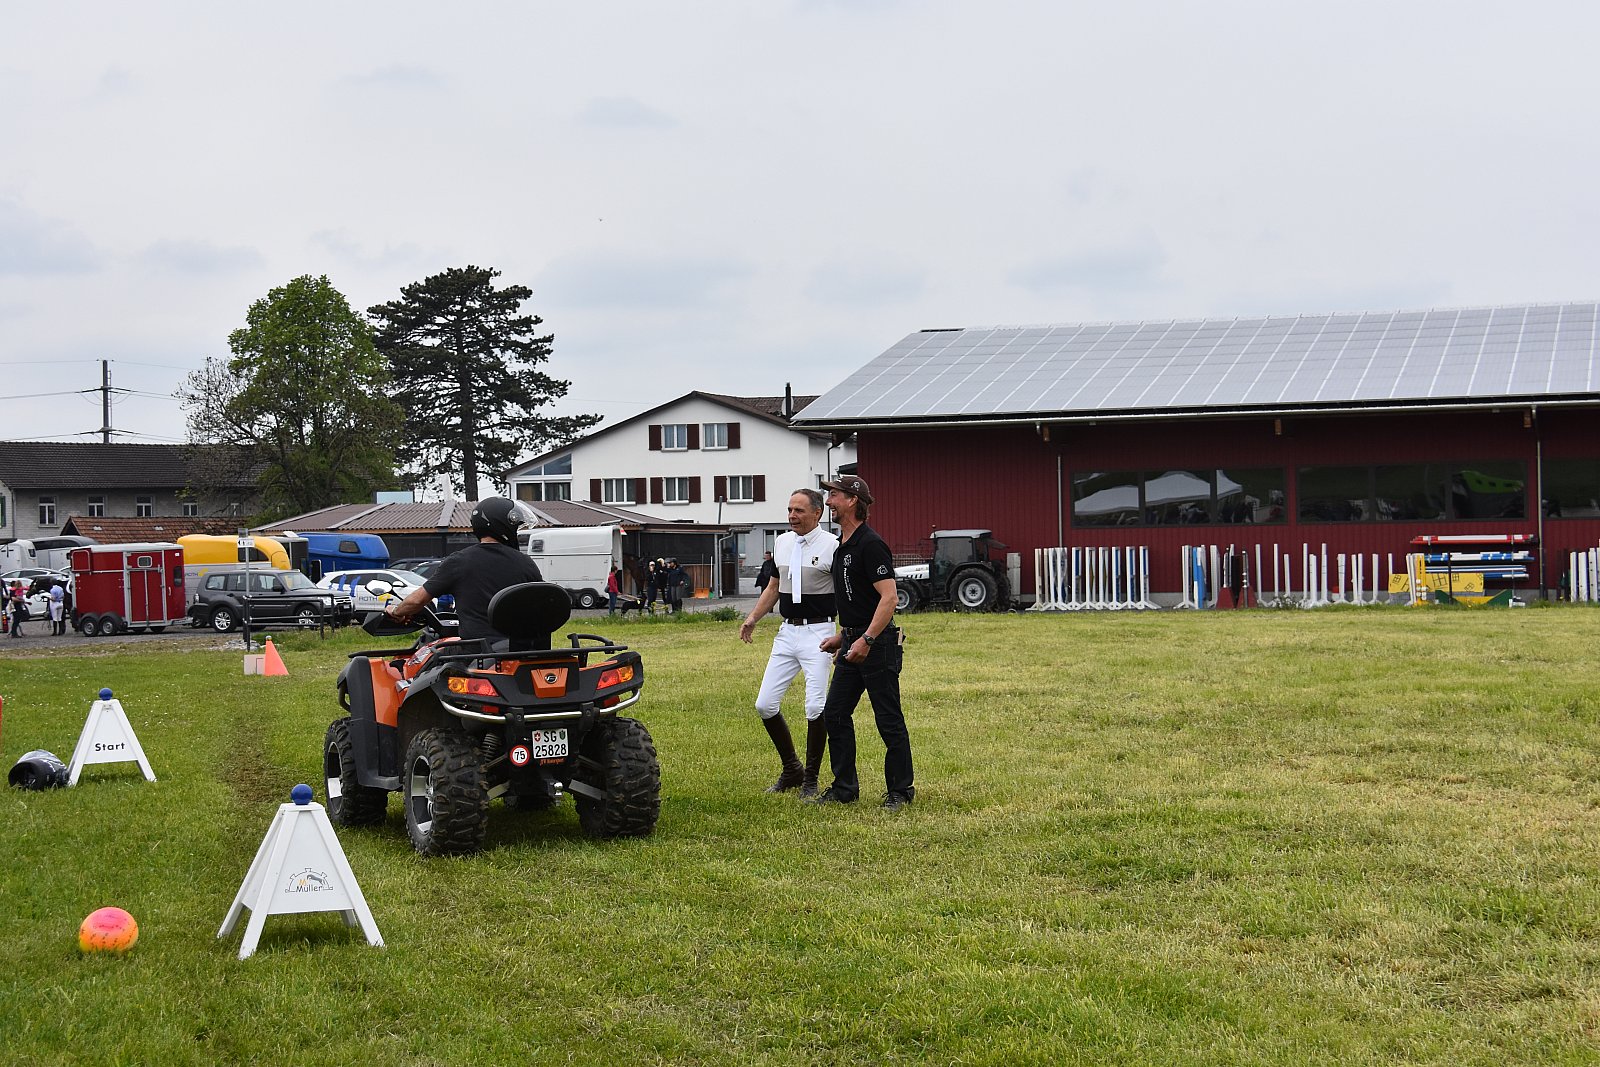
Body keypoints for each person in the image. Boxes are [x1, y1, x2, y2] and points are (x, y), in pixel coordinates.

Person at [809, 475, 914, 811]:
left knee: (888, 719)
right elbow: (861, 602)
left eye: (834, 495)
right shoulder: (843, 546)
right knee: (835, 713)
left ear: (853, 500)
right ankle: (844, 788)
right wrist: (845, 636)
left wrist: (867, 639)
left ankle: (900, 791)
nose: (828, 502)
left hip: (877, 645)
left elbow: (889, 598)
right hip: (854, 642)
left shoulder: (870, 544)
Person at [738, 489, 838, 796]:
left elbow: (847, 594)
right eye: (790, 510)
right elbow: (774, 586)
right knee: (765, 704)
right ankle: (792, 769)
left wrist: (844, 636)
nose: (792, 516)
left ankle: (811, 780)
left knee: (815, 706)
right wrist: (753, 617)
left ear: (817, 513)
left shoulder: (833, 546)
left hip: (819, 633)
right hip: (787, 632)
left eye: (799, 510)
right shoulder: (782, 542)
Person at [386, 497, 544, 647]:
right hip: (523, 650)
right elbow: (544, 601)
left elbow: (416, 601)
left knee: (428, 656)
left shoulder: (459, 561)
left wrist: (396, 611)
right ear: (503, 526)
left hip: (478, 651)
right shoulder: (525, 562)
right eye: (515, 528)